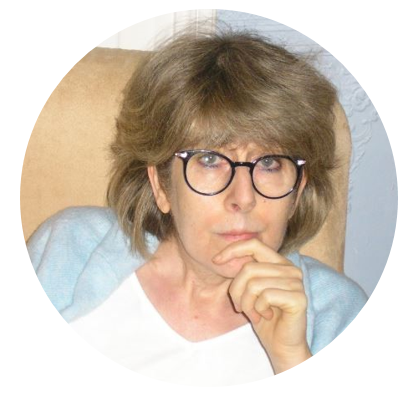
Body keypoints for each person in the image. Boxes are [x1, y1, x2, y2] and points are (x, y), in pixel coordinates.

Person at [27, 28, 368, 386]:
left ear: (297, 190)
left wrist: (292, 359)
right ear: (161, 185)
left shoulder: (339, 314)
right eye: (209, 160)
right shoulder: (69, 249)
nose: (243, 198)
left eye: (269, 163)